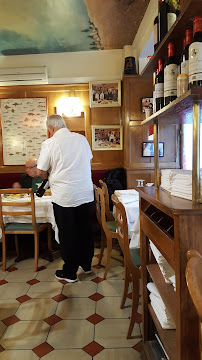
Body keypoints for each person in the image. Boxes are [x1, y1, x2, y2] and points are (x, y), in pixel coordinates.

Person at [37, 114, 94, 283]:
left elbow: (40, 171)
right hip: (85, 193)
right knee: (84, 230)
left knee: (68, 233)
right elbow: (88, 159)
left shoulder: (49, 143)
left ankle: (69, 272)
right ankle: (87, 264)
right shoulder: (82, 139)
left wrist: (50, 174)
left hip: (65, 196)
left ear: (51, 128)